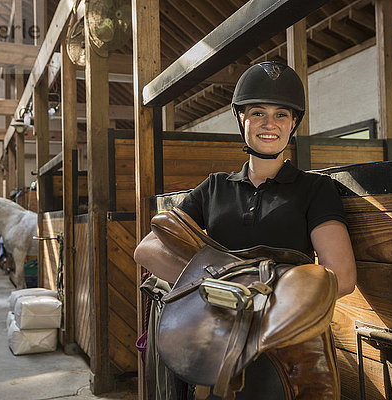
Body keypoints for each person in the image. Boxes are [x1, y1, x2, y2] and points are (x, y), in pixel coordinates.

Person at [137, 61, 356, 399]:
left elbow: (340, 274)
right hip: (218, 331)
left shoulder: (315, 189)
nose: (269, 124)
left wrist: (254, 295)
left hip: (284, 336)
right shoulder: (214, 188)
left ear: (293, 122)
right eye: (258, 113)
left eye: (281, 115)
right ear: (241, 118)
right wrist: (218, 284)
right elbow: (148, 249)